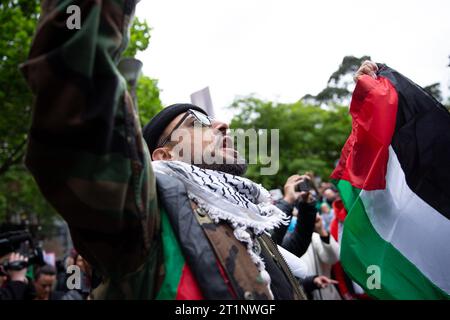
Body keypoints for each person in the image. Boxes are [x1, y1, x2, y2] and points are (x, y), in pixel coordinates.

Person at [20, 0, 378, 300]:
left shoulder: (244, 216)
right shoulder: (147, 221)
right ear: (162, 158)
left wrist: (369, 107)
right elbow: (76, 96)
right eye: (196, 122)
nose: (221, 125)